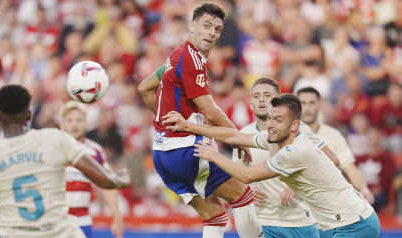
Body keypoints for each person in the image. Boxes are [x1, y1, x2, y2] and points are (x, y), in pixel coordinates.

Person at [163, 94, 381, 238]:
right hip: (337, 222)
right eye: (269, 118)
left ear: (295, 125)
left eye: (277, 120)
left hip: (354, 224)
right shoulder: (275, 138)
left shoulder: (296, 151)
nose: (269, 124)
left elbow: (248, 176)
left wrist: (215, 156)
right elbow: (234, 135)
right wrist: (189, 126)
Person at [138, 3, 262, 238]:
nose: (212, 33)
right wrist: (238, 139)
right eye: (206, 26)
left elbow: (144, 88)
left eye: (217, 29)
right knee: (244, 196)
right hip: (185, 151)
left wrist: (165, 122)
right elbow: (211, 111)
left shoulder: (175, 55)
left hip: (161, 155)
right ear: (191, 25)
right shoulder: (192, 59)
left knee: (215, 215)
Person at [0, 85, 130, 238]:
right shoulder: (53, 139)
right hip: (59, 232)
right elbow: (106, 181)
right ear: (29, 115)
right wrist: (121, 178)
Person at [232, 78, 319, 238]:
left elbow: (326, 163)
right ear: (251, 104)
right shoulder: (243, 135)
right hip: (263, 220)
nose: (262, 100)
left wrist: (296, 187)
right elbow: (235, 174)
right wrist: (247, 189)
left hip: (299, 217)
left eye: (267, 95)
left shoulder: (297, 130)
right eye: (257, 96)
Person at [296, 87, 375, 237]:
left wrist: (363, 187)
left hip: (326, 216)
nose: (307, 108)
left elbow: (350, 169)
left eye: (312, 103)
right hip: (295, 214)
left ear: (320, 105)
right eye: (303, 103)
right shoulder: (285, 135)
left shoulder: (333, 136)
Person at [59, 101, 124, 238]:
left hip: (82, 221)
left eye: (79, 120)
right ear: (62, 126)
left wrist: (116, 217)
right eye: (69, 120)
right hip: (56, 221)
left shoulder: (95, 151)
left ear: (86, 124)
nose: (74, 124)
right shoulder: (54, 149)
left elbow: (108, 184)